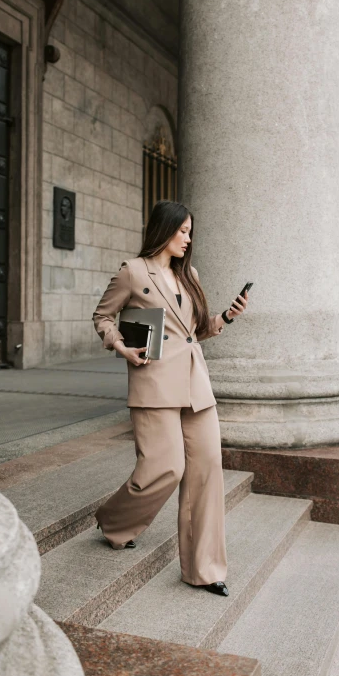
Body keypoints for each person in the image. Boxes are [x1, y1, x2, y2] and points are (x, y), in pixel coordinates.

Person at [92, 200, 249, 597]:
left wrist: (227, 317)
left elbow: (197, 329)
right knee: (165, 468)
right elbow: (103, 316)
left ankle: (205, 569)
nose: (188, 239)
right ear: (164, 230)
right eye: (183, 231)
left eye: (189, 232)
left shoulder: (189, 274)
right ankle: (114, 522)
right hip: (154, 383)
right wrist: (120, 346)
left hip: (196, 385)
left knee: (207, 469)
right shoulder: (133, 271)